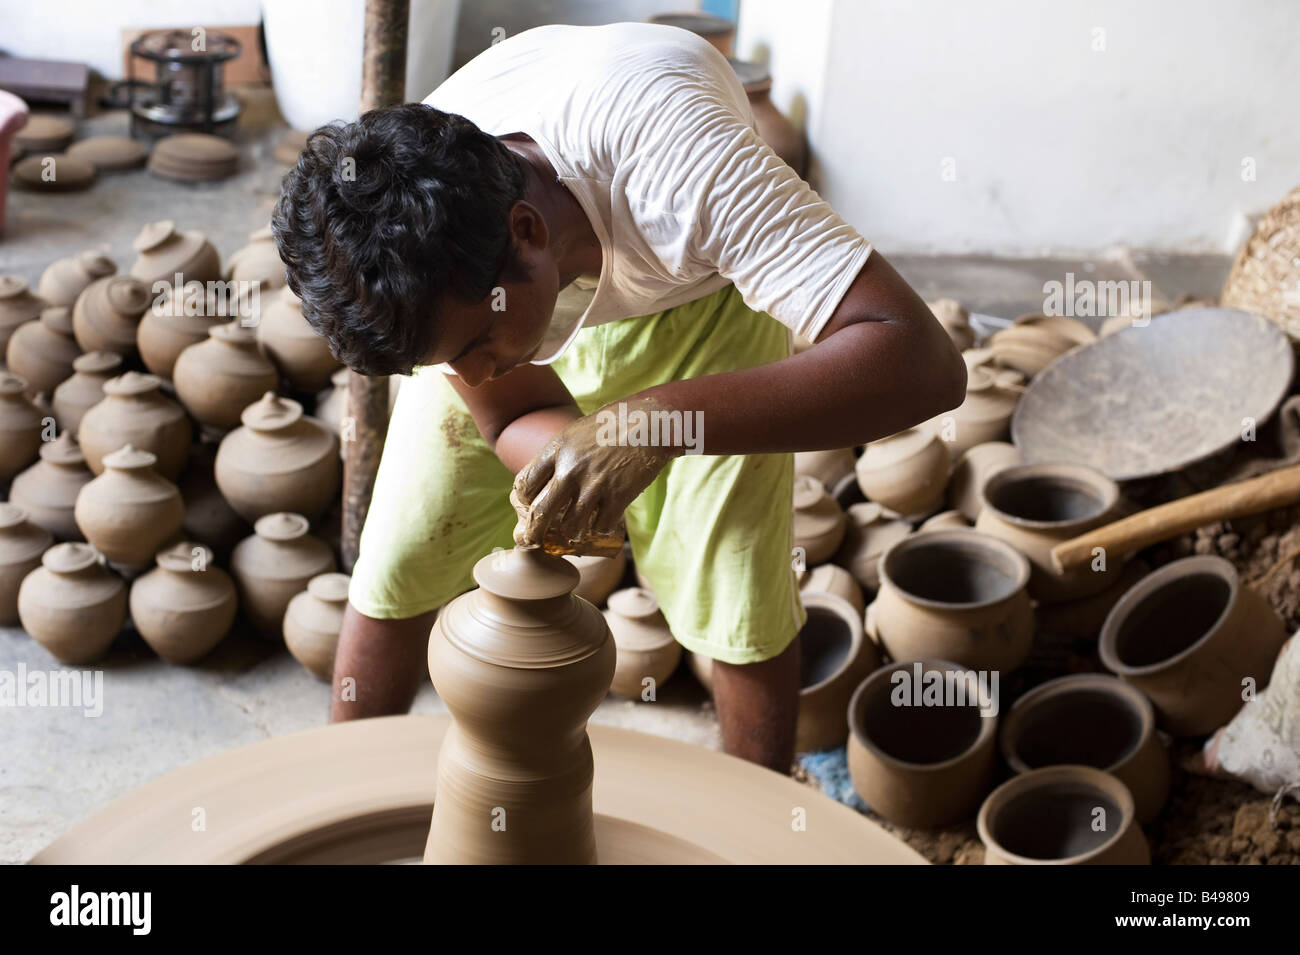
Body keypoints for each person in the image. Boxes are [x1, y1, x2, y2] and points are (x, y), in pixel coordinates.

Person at [272, 22, 965, 772]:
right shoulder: (427, 244)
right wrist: (568, 478)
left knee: (738, 586)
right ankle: (337, 798)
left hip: (700, 305)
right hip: (515, 300)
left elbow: (923, 361)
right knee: (401, 549)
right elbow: (502, 407)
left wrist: (655, 424)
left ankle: (758, 818)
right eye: (448, 361)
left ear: (528, 233)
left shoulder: (686, 165)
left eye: (472, 354)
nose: (470, 377)